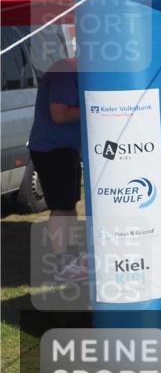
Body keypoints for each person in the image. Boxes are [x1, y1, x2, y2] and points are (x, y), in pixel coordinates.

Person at [28, 57, 85, 281]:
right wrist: (93, 105)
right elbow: (59, 114)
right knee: (62, 207)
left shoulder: (71, 72)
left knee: (69, 204)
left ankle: (70, 258)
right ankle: (63, 263)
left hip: (64, 149)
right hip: (53, 149)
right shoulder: (65, 74)